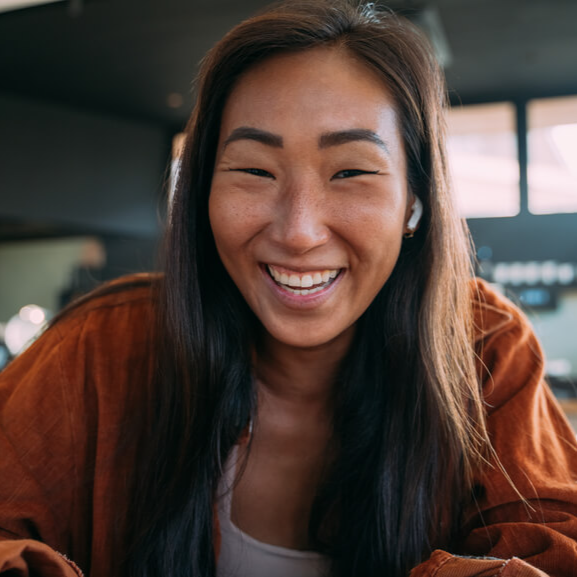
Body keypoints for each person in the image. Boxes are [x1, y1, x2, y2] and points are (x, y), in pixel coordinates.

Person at [1, 1, 576, 576]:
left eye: (351, 172)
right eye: (255, 170)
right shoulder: (102, 347)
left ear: (415, 201)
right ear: (202, 193)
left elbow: (554, 546)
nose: (299, 232)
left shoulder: (482, 346)